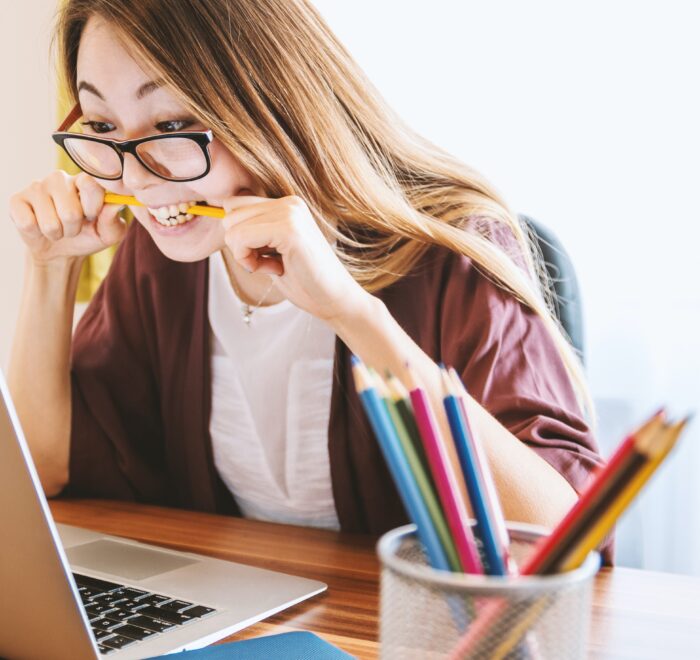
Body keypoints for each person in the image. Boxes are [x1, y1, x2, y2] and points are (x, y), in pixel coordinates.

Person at [8, 0, 607, 551]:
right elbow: (44, 469)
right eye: (104, 126)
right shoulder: (164, 257)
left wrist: (350, 312)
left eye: (171, 126)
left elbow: (565, 538)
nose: (135, 180)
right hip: (247, 620)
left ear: (271, 104)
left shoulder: (452, 250)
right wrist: (50, 268)